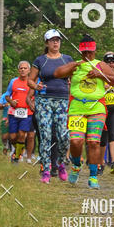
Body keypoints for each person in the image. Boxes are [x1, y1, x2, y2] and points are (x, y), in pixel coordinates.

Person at [53, 34, 114, 189]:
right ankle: (76, 165)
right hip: (77, 107)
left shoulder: (101, 65)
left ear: (95, 51)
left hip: (96, 107)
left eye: (90, 52)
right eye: (84, 52)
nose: (87, 55)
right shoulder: (75, 65)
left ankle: (93, 176)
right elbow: (57, 73)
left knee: (93, 142)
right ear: (80, 51)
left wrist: (100, 74)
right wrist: (72, 67)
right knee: (76, 141)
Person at [28, 29, 73, 184]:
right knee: (46, 135)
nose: (55, 42)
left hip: (62, 100)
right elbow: (30, 80)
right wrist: (36, 86)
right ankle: (46, 170)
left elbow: (74, 78)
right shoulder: (41, 60)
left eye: (58, 40)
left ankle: (60, 164)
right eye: (52, 40)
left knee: (64, 136)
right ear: (47, 43)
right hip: (44, 101)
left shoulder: (67, 59)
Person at [4, 62, 36, 164]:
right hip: (13, 112)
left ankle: (17, 157)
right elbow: (7, 95)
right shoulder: (13, 81)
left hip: (27, 113)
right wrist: (11, 101)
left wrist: (33, 103)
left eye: (25, 68)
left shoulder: (32, 82)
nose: (23, 70)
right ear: (18, 70)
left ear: (29, 70)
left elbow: (36, 95)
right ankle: (19, 151)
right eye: (21, 68)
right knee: (13, 137)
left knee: (22, 134)